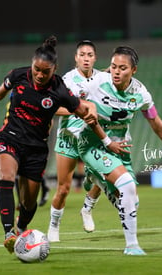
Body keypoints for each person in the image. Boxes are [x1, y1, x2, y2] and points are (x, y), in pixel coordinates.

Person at [0, 36, 126, 254]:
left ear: (54, 69)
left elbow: (83, 112)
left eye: (45, 71)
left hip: (36, 148)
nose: (39, 75)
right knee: (6, 176)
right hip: (9, 137)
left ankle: (21, 227)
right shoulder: (18, 75)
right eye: (36, 69)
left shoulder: (59, 89)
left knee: (30, 203)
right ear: (32, 64)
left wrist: (105, 139)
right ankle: (9, 233)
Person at [77, 46, 162, 256]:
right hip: (92, 142)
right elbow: (72, 99)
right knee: (125, 185)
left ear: (133, 70)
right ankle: (132, 246)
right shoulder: (97, 83)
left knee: (132, 199)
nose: (116, 72)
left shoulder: (141, 94)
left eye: (122, 68)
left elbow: (155, 122)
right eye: (113, 66)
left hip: (120, 148)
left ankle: (97, 177)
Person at [47, 40, 103, 242]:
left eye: (89, 55)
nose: (86, 58)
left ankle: (87, 209)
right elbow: (53, 108)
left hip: (92, 138)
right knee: (63, 189)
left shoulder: (103, 78)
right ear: (76, 58)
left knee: (104, 177)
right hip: (68, 138)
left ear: (94, 58)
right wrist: (78, 111)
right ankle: (54, 225)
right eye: (82, 55)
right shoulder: (66, 80)